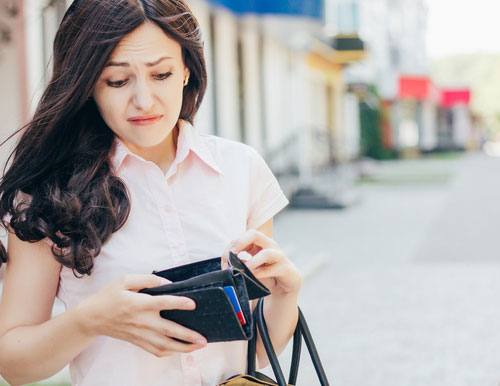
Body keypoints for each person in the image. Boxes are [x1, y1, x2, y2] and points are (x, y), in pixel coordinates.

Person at [0, 1, 302, 385]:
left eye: (161, 74)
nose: (143, 101)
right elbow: (13, 363)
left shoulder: (241, 169)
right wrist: (92, 319)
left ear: (187, 69)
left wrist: (286, 295)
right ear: (86, 83)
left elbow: (254, 349)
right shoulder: (49, 192)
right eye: (117, 81)